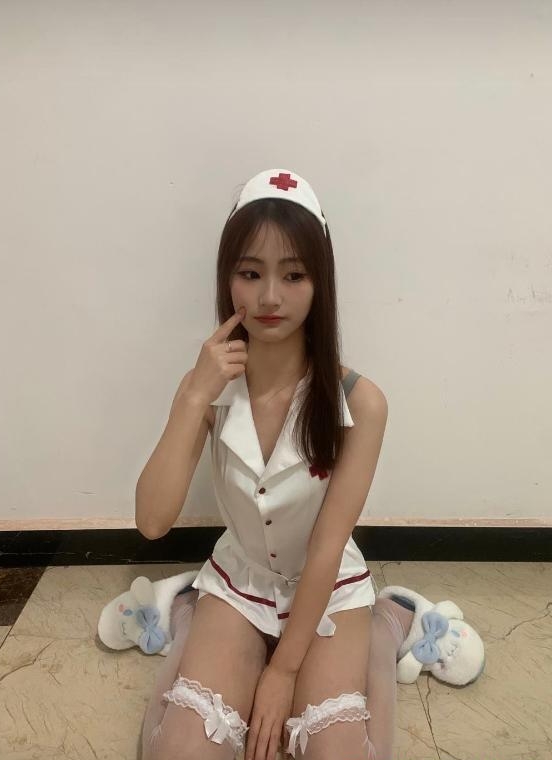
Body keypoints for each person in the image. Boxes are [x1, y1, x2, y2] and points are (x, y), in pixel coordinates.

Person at [136, 169, 417, 760]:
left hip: (329, 588)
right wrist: (193, 397)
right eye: (250, 273)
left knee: (334, 750)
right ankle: (192, 616)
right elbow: (152, 522)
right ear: (227, 279)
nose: (269, 297)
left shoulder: (361, 403)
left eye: (293, 275)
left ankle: (385, 627)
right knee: (180, 751)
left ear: (320, 283)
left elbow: (326, 546)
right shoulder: (208, 387)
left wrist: (284, 672)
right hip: (239, 584)